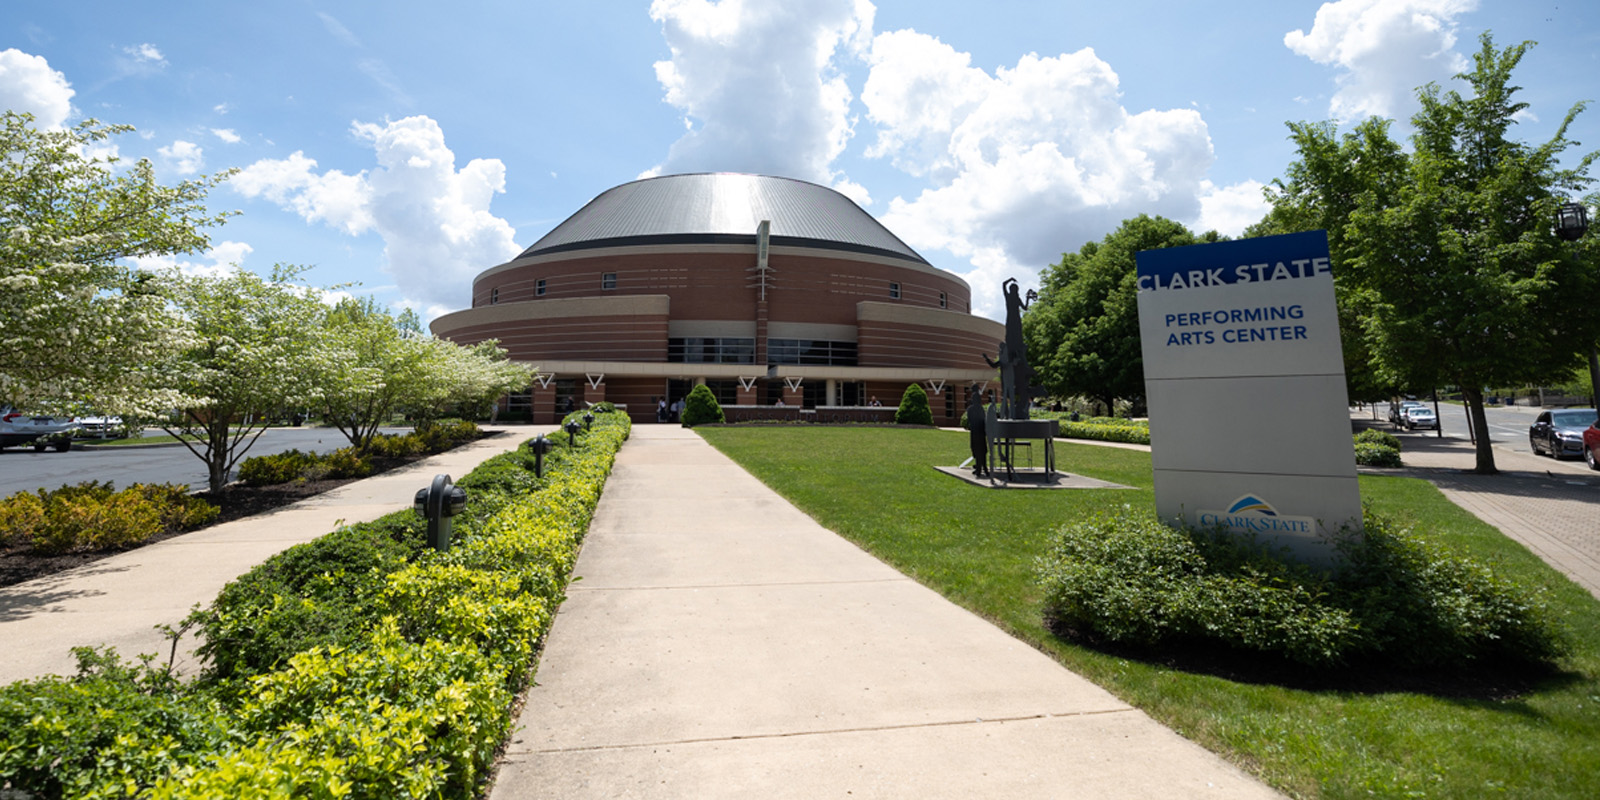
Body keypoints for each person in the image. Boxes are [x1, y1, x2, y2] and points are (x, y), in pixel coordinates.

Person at [966, 386, 988, 476]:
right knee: (982, 451)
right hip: (981, 433)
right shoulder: (981, 409)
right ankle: (983, 468)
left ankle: (980, 469)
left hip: (975, 433)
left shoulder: (971, 409)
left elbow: (970, 420)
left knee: (977, 450)